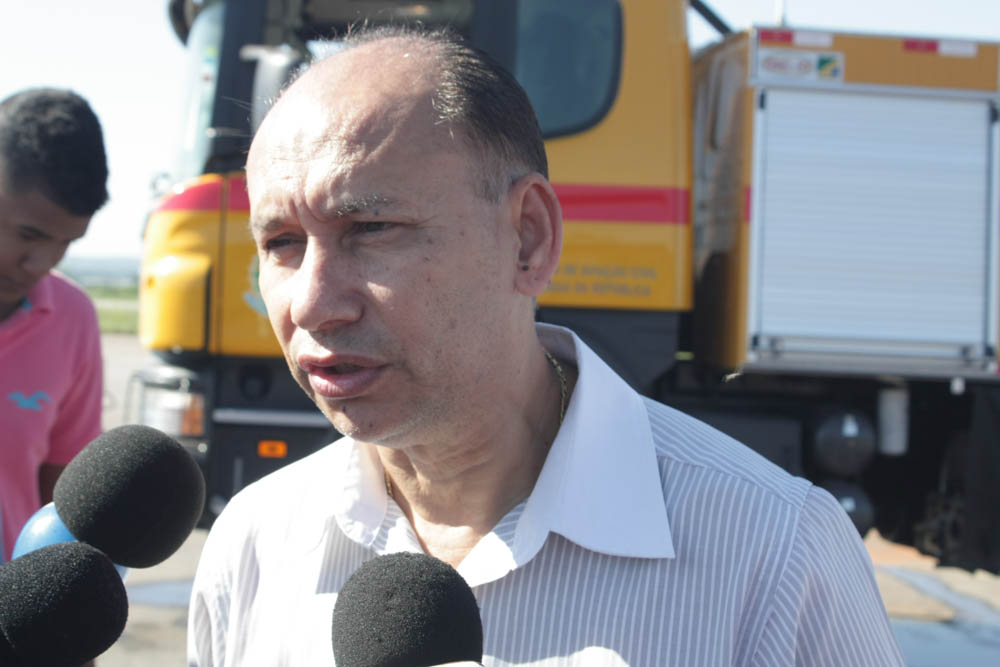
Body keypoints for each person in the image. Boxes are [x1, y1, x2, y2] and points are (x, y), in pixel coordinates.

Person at [188, 28, 904, 665]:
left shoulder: (777, 554)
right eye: (281, 243)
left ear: (528, 238)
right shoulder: (254, 543)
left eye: (372, 230)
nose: (311, 303)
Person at [0, 89, 107, 564]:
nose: (40, 262)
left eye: (65, 242)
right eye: (29, 234)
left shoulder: (72, 316)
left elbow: (63, 505)